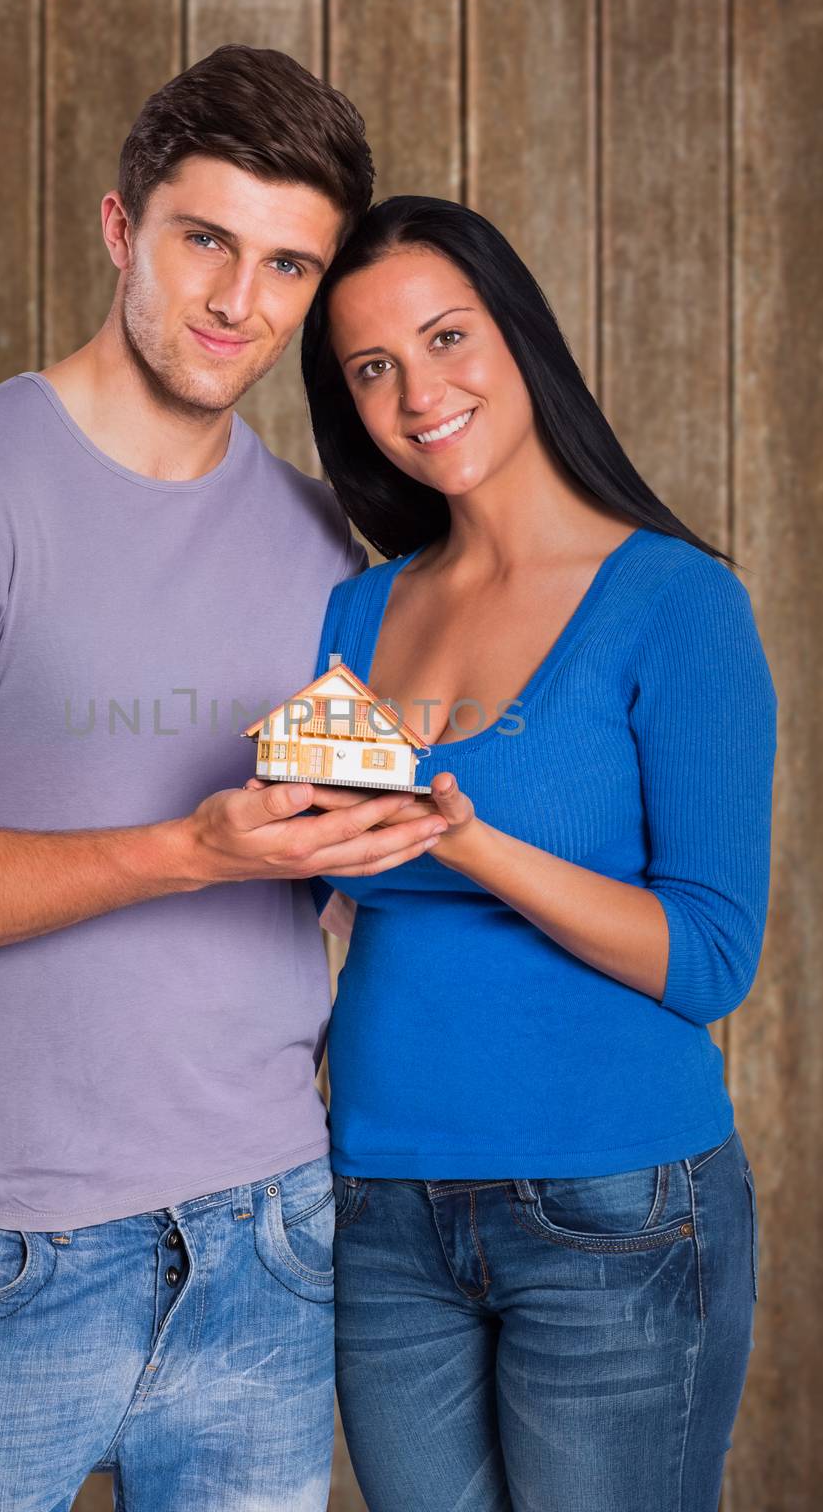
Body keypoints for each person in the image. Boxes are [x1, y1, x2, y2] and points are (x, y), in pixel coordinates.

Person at [0, 49, 451, 1512]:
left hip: (273, 1238)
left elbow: (327, 881)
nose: (238, 302)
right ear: (119, 228)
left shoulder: (316, 545)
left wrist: (379, 833)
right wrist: (187, 851)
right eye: (203, 240)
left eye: (288, 265)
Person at [292, 194, 776, 1511]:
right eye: (371, 368)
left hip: (610, 1203)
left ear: (518, 336)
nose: (417, 391)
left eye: (446, 338)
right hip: (379, 1203)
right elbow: (338, 890)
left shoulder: (677, 603)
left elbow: (710, 958)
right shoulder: (359, 603)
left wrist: (477, 843)